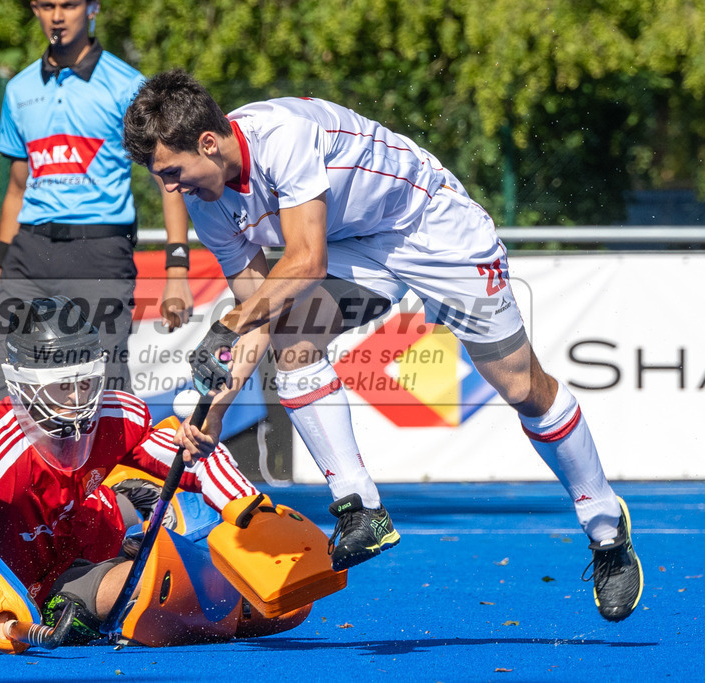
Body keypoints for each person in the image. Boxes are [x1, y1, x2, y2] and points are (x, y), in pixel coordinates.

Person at [121, 68, 644, 623]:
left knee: (521, 387)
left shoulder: (283, 136)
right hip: (354, 247)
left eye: (173, 173)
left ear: (208, 142)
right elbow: (258, 315)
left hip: (430, 226)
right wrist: (214, 414)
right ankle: (360, 508)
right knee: (293, 339)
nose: (171, 190)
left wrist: (229, 324)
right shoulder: (207, 203)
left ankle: (605, 526)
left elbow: (304, 262)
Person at [0, 296, 263, 647]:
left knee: (258, 587)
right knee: (173, 588)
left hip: (92, 526)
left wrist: (253, 511)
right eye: (63, 385)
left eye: (85, 383)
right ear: (25, 385)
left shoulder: (114, 414)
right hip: (41, 584)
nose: (78, 399)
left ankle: (143, 505)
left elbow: (192, 459)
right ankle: (151, 526)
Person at [0, 0, 195, 477]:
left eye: (69, 4)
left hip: (100, 254)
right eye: (47, 5)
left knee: (106, 392)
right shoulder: (19, 89)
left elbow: (167, 178)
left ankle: (120, 510)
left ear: (93, 8)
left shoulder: (128, 85)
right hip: (28, 256)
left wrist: (177, 270)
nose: (58, 16)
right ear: (35, 10)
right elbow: (16, 190)